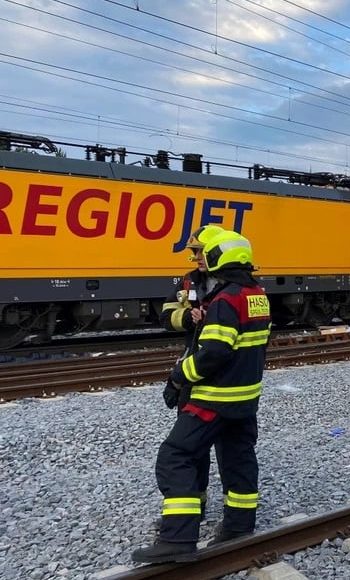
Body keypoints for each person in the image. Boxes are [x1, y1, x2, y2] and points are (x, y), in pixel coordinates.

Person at [132, 230, 271, 563]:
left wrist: (178, 378)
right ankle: (239, 527)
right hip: (244, 399)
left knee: (176, 454)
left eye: (202, 253)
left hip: (213, 398)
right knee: (238, 458)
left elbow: (213, 354)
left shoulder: (225, 300)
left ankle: (178, 538)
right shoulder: (257, 294)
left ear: (217, 256)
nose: (198, 258)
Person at [159, 224, 225, 522]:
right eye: (194, 251)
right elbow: (165, 316)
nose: (195, 257)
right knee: (192, 449)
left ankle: (233, 514)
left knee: (225, 450)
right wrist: (188, 316)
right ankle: (195, 502)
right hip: (193, 367)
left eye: (198, 251)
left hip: (216, 375)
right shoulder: (188, 283)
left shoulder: (230, 285)